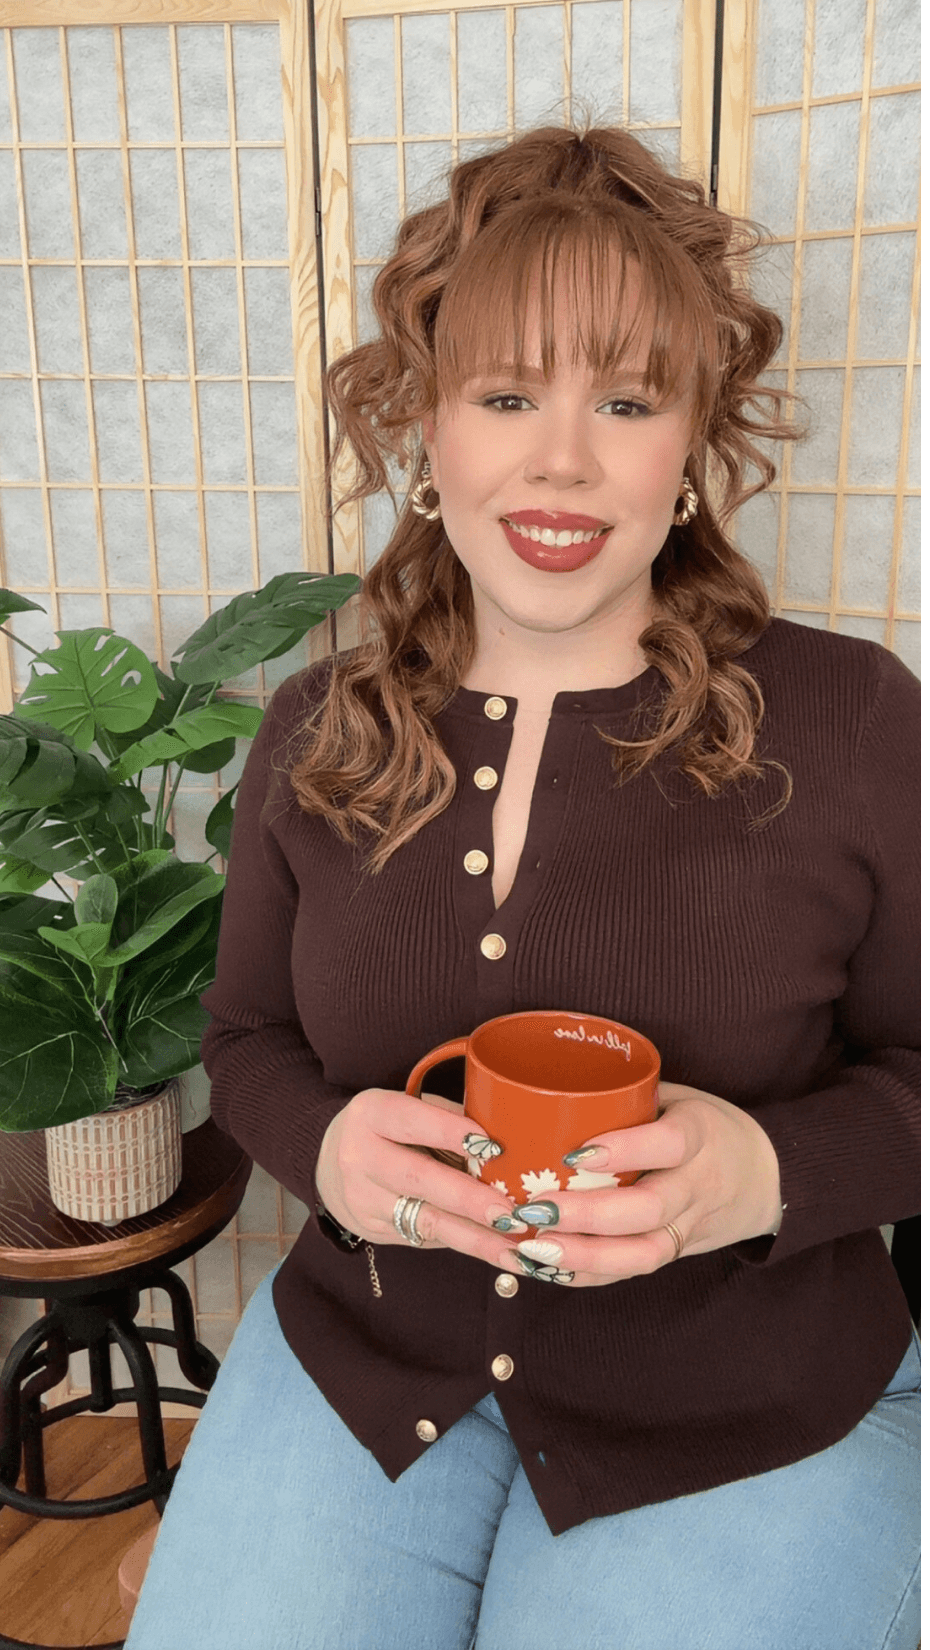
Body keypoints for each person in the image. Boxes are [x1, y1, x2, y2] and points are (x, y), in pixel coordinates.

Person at [125, 122, 920, 1650]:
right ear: (427, 428)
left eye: (624, 400)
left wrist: (761, 1173)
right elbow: (241, 1047)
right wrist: (334, 1150)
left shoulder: (855, 722)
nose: (562, 458)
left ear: (690, 442)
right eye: (506, 395)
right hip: (370, 1366)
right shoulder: (318, 725)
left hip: (747, 1401)